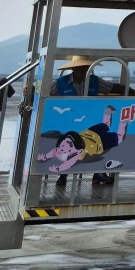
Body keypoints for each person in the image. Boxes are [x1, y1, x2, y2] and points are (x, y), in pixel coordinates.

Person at [49, 55, 111, 188]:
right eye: (80, 68)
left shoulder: (95, 81)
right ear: (73, 69)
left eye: (85, 68)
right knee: (69, 146)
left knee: (95, 146)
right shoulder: (60, 83)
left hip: (91, 119)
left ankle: (98, 174)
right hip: (69, 122)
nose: (83, 70)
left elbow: (113, 88)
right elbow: (44, 93)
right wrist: (29, 91)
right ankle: (63, 175)